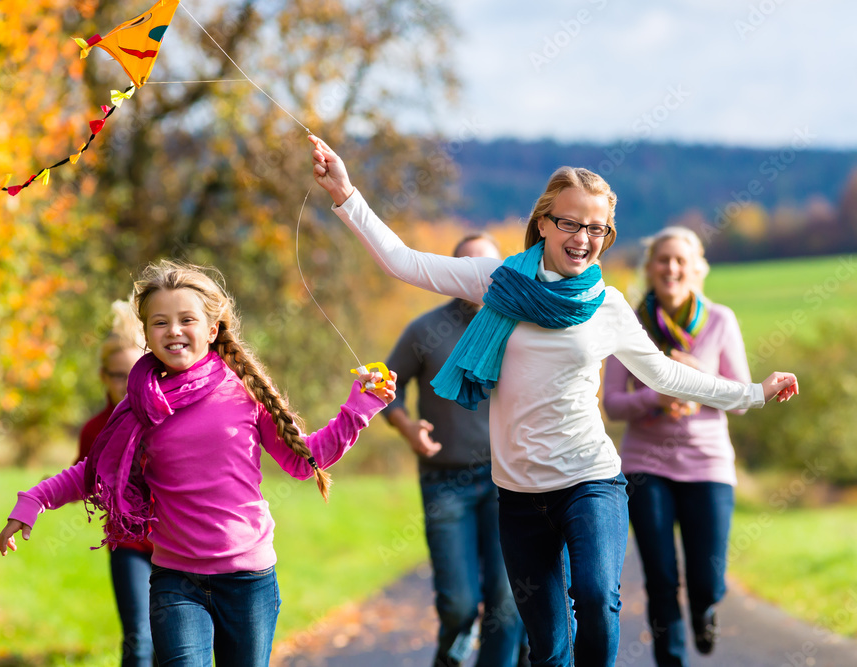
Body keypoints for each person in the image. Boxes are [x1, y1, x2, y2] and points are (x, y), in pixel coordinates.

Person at [308, 135, 799, 667]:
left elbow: (664, 374)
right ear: (543, 222)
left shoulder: (607, 306)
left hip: (590, 479)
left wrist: (751, 392)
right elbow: (404, 262)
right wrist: (346, 193)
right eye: (569, 223)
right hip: (519, 493)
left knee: (594, 597)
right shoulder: (496, 282)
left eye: (595, 228)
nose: (582, 237)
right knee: (547, 648)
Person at [0, 259, 396, 667]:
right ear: (146, 334)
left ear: (211, 328)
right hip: (176, 580)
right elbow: (95, 470)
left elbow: (302, 460)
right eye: (160, 322)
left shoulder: (242, 391)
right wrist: (32, 502)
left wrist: (359, 407)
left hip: (249, 581)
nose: (173, 330)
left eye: (186, 319)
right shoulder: (140, 403)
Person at [383, 233, 530, 667]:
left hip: (513, 482)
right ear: (451, 276)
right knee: (459, 604)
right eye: (466, 269)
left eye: (486, 269)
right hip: (445, 482)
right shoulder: (425, 330)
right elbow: (384, 387)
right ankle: (452, 651)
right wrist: (407, 427)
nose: (477, 278)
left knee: (507, 602)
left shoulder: (523, 327)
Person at [602, 227, 745, 666]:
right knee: (662, 578)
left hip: (708, 466)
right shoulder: (628, 322)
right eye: (662, 259)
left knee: (706, 580)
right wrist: (656, 396)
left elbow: (739, 398)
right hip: (647, 467)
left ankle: (704, 609)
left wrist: (696, 374)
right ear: (649, 268)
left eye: (681, 260)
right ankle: (672, 660)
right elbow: (612, 404)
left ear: (697, 268)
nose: (671, 268)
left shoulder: (720, 320)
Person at [79, 300, 156, 667]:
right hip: (129, 546)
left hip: (180, 544)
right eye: (115, 375)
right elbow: (82, 480)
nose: (124, 384)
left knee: (175, 647)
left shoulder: (164, 418)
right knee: (139, 641)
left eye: (132, 373)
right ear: (102, 376)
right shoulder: (94, 430)